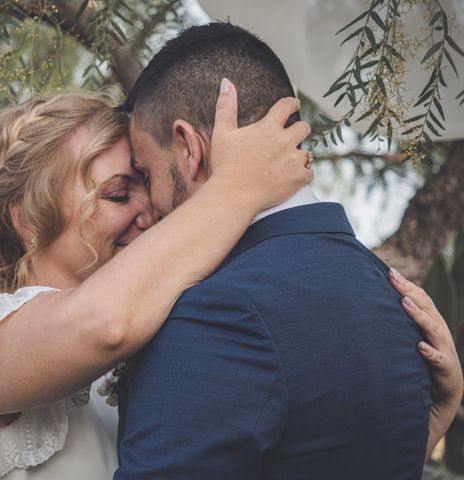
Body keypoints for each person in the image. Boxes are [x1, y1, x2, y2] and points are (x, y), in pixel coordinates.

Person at [0, 84, 459, 480]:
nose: (150, 211)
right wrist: (239, 185)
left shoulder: (166, 342)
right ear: (27, 218)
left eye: (147, 185)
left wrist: (427, 424)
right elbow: (104, 323)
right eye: (118, 195)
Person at [113, 22, 463, 480]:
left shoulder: (218, 311)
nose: (149, 207)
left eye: (146, 172)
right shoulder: (393, 297)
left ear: (188, 148)